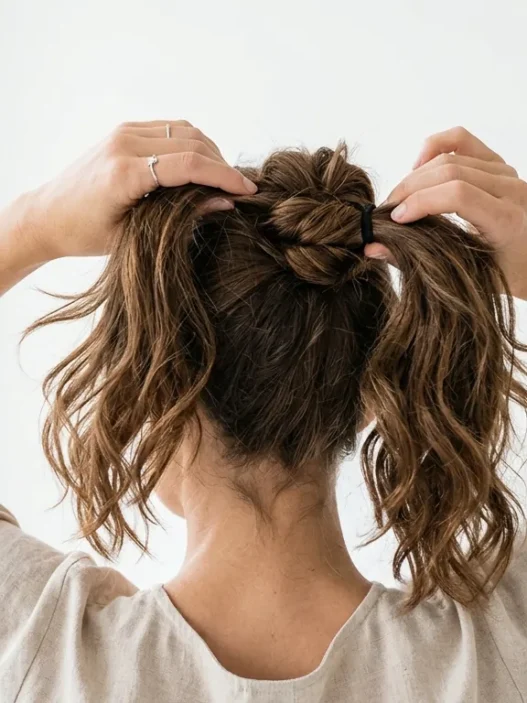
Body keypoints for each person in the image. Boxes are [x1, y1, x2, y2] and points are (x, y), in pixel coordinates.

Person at [0, 121, 526, 703]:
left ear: (158, 384)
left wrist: (33, 223)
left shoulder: (47, 647)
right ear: (372, 395)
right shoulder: (496, 646)